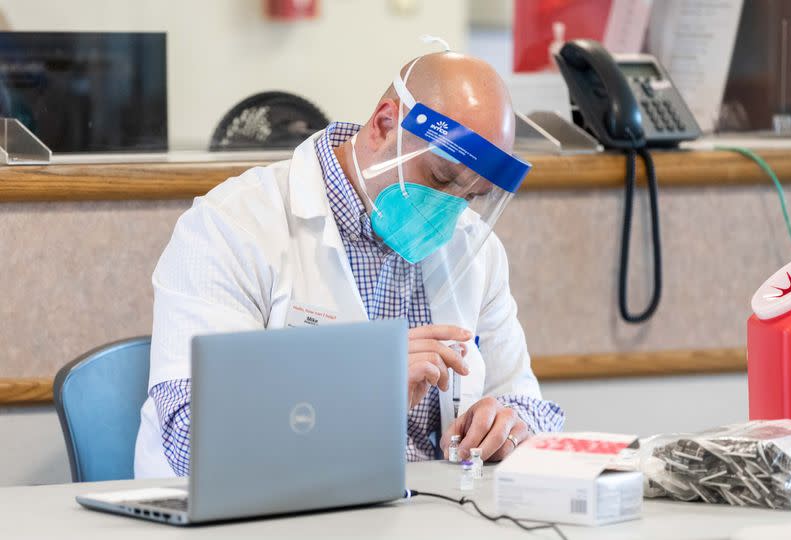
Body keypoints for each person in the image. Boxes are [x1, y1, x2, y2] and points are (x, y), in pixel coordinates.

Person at [134, 48, 564, 478]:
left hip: (427, 510)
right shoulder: (230, 227)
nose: (450, 210)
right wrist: (359, 387)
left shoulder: (476, 251)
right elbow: (192, 435)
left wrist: (509, 428)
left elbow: (531, 407)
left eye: (471, 196)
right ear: (384, 124)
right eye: (439, 178)